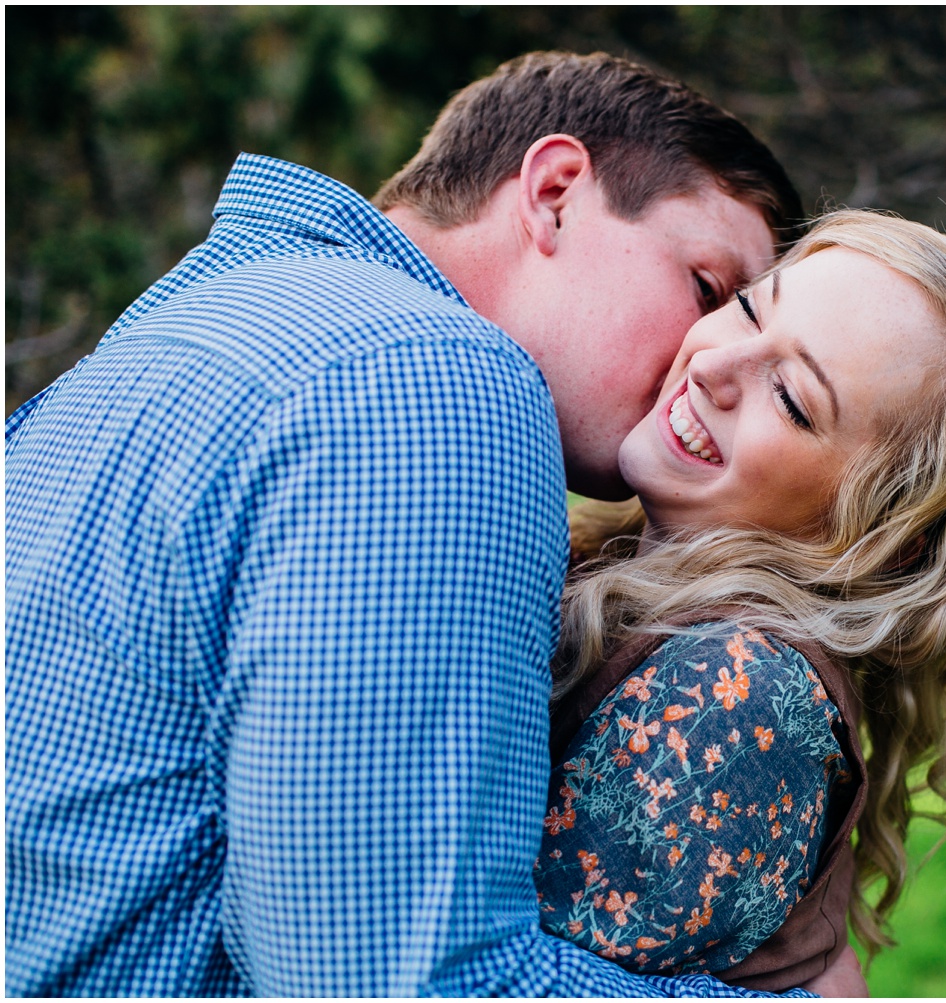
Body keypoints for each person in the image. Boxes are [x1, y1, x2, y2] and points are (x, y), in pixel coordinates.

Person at [4, 50, 842, 997]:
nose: (701, 357)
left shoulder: (176, 345)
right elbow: (388, 978)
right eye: (705, 287)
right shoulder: (432, 384)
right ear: (557, 190)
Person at [532, 210, 946, 988]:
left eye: (791, 398)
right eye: (753, 305)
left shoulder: (738, 694)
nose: (715, 365)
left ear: (888, 535)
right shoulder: (620, 560)